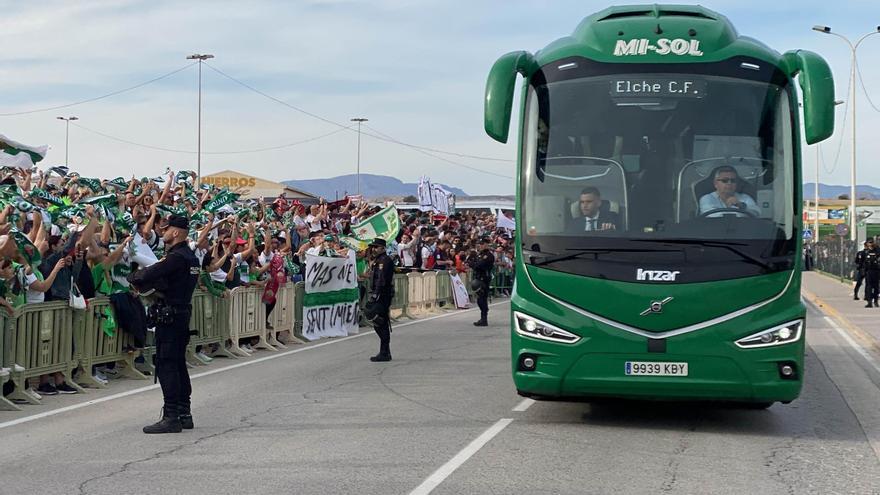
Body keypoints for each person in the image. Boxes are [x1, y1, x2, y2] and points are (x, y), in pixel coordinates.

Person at [130, 214, 200, 434]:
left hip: (170, 317)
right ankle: (184, 413)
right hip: (181, 314)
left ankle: (171, 416)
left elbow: (146, 274)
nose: (163, 232)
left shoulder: (176, 257)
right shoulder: (192, 258)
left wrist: (136, 276)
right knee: (178, 364)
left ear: (176, 232)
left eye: (167, 229)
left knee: (167, 365)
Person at [366, 238, 394, 362]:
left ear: (382, 248)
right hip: (379, 293)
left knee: (379, 321)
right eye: (373, 247)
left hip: (382, 294)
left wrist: (376, 294)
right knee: (378, 321)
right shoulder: (378, 260)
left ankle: (384, 352)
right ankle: (385, 351)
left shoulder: (384, 260)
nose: (373, 249)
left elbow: (381, 279)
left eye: (376, 247)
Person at [467, 237, 495, 327]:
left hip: (484, 278)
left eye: (483, 244)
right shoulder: (480, 255)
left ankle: (484, 318)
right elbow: (474, 263)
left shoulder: (488, 255)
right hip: (479, 277)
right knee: (480, 299)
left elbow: (479, 265)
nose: (481, 246)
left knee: (482, 299)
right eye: (480, 244)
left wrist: (472, 264)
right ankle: (483, 318)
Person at [863, 239, 880, 308]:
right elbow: (863, 261)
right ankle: (869, 302)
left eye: (871, 243)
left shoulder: (878, 251)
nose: (870, 244)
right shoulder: (866, 251)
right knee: (869, 287)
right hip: (869, 271)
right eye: (869, 243)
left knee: (876, 287)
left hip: (877, 271)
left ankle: (875, 301)